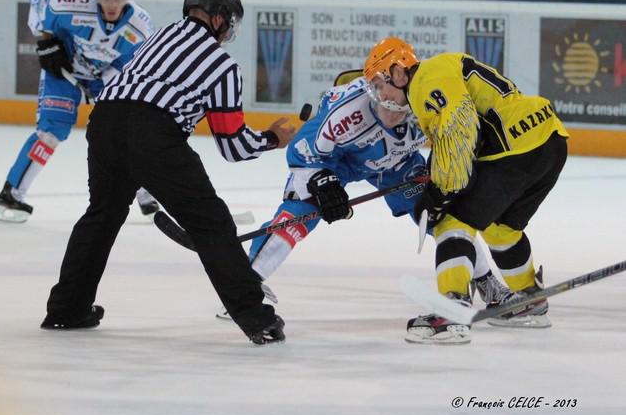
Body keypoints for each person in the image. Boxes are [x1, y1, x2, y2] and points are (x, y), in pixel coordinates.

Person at [40, 0, 296, 345]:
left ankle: (66, 309)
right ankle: (258, 320)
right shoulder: (223, 66)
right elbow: (234, 146)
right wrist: (273, 138)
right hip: (154, 135)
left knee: (102, 215)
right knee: (211, 224)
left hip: (105, 123)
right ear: (220, 17)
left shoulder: (157, 38)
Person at [215, 69, 512, 326]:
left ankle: (487, 282)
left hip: (397, 162)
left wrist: (445, 168)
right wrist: (322, 181)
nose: (390, 105)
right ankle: (247, 283)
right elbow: (303, 151)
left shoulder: (426, 103)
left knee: (443, 214)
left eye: (396, 94)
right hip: (340, 159)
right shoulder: (346, 111)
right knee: (302, 208)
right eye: (380, 89)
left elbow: (455, 138)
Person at [363, 37, 569, 344]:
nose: (382, 94)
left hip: (513, 147)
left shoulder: (426, 79)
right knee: (502, 229)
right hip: (549, 139)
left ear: (399, 71)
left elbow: (460, 128)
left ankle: (452, 312)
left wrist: (441, 193)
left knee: (452, 221)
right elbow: (458, 134)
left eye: (382, 83)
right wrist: (439, 178)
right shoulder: (440, 71)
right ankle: (529, 299)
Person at [0, 0, 159, 223]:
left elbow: (134, 65)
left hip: (105, 76)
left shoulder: (140, 26)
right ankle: (10, 194)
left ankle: (145, 192)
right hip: (64, 71)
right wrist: (47, 43)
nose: (111, 4)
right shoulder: (73, 2)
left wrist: (104, 84)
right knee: (50, 132)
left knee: (126, 132)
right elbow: (38, 0)